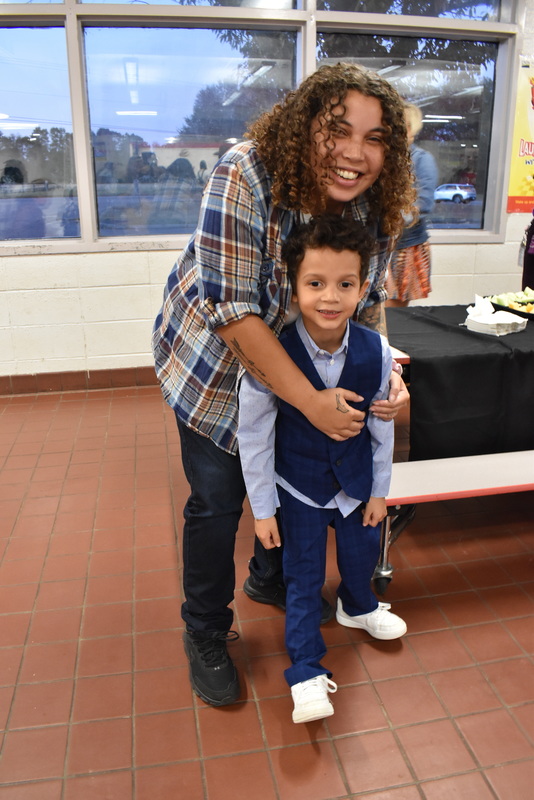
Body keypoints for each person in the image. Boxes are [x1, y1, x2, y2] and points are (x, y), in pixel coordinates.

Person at [152, 62, 414, 708]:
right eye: (338, 130)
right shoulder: (246, 173)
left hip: (312, 368)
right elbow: (235, 315)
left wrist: (383, 370)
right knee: (219, 498)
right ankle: (207, 630)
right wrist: (309, 401)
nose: (356, 154)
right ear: (303, 127)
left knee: (300, 476)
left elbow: (369, 301)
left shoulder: (377, 202)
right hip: (212, 369)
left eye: (376, 137)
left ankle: (270, 578)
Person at [238, 215, 407, 723]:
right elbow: (255, 437)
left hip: (356, 487)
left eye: (345, 284)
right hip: (301, 490)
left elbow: (382, 426)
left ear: (363, 287)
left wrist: (380, 490)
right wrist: (264, 510)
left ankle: (357, 605)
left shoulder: (376, 351)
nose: (330, 297)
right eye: (315, 284)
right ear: (293, 286)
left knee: (358, 559)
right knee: (303, 579)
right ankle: (307, 671)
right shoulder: (273, 355)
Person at [385, 102, 438, 307]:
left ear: (411, 127)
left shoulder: (422, 160)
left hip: (405, 247)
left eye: (401, 125)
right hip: (377, 245)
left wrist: (387, 218)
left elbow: (423, 204)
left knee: (391, 312)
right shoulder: (382, 158)